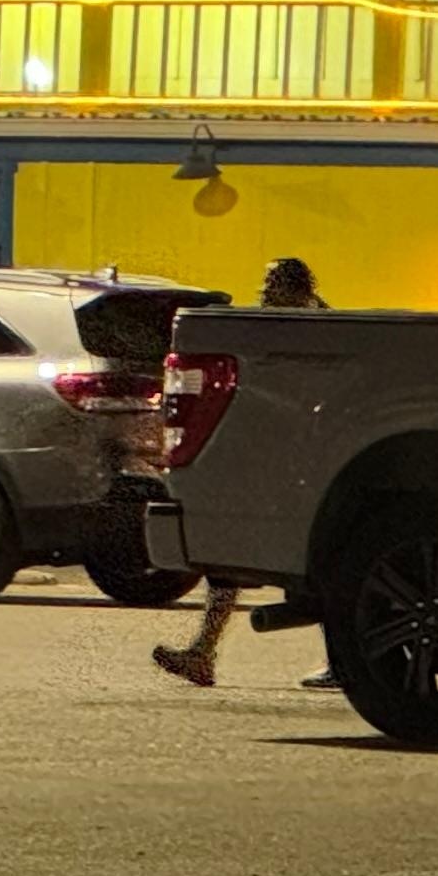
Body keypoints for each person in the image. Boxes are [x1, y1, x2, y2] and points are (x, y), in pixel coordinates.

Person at [152, 259, 330, 690]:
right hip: (275, 465)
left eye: (271, 280)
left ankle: (343, 660)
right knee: (230, 561)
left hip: (298, 468)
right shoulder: (288, 326)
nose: (262, 289)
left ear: (293, 287)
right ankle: (202, 651)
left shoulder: (310, 331)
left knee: (319, 566)